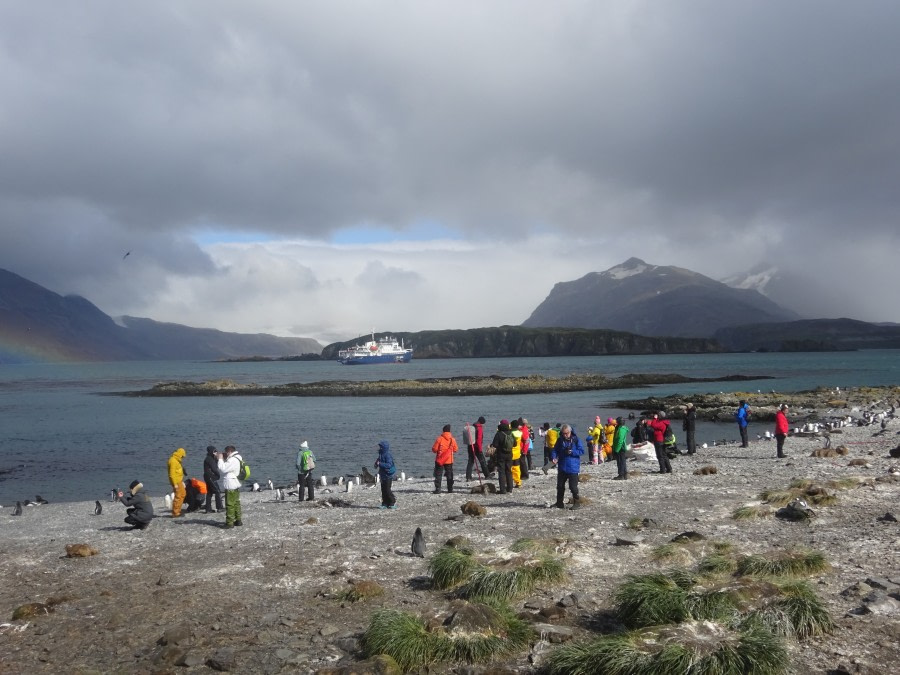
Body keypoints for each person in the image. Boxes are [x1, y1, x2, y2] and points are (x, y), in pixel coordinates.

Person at [550, 424, 584, 508]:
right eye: (564, 433)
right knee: (560, 486)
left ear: (570, 432)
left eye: (567, 433)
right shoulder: (560, 440)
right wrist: (554, 457)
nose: (565, 435)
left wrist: (572, 452)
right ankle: (559, 503)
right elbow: (555, 450)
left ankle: (576, 502)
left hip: (573, 467)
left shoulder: (576, 440)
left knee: (573, 487)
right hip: (562, 466)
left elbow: (582, 451)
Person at [217, 445, 243, 528]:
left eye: (226, 452)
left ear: (229, 452)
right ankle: (238, 520)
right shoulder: (238, 457)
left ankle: (229, 523)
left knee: (230, 504)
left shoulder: (232, 460)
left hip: (230, 484)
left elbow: (223, 468)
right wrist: (225, 458)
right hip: (236, 483)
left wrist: (220, 459)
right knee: (236, 503)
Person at [432, 424, 458, 493]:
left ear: (443, 431)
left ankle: (438, 489)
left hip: (440, 460)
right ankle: (450, 489)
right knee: (449, 474)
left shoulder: (439, 439)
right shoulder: (452, 439)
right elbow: (456, 449)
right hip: (449, 460)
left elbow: (434, 449)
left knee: (438, 474)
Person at [492, 420, 514, 494]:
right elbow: (515, 443)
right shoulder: (511, 433)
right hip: (510, 454)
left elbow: (495, 445)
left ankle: (502, 489)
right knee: (509, 471)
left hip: (501, 454)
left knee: (501, 472)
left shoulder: (499, 433)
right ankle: (510, 488)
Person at [375, 440, 397, 508]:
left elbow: (389, 465)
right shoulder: (380, 454)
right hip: (382, 475)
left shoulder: (387, 455)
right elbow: (378, 462)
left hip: (388, 475)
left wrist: (380, 464)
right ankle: (385, 503)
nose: (379, 448)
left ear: (384, 448)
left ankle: (392, 502)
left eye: (381, 447)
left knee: (387, 490)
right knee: (383, 490)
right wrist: (376, 464)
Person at [167, 448, 187, 518]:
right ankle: (175, 513)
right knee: (178, 496)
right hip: (176, 481)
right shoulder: (173, 461)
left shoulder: (177, 460)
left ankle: (178, 510)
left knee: (183, 494)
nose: (183, 457)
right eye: (182, 456)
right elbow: (171, 474)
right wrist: (175, 484)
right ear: (180, 454)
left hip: (179, 480)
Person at [203, 445, 223, 513]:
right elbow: (214, 469)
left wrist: (217, 459)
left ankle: (208, 509)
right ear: (211, 452)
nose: (216, 453)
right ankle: (219, 508)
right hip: (210, 477)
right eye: (214, 451)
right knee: (217, 491)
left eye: (216, 451)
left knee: (210, 492)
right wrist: (218, 475)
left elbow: (214, 466)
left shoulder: (209, 458)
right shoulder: (209, 459)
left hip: (207, 477)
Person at [509, 420, 523, 487]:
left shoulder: (510, 433)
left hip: (510, 452)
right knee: (517, 467)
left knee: (509, 468)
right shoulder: (520, 433)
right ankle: (518, 482)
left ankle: (509, 481)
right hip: (517, 452)